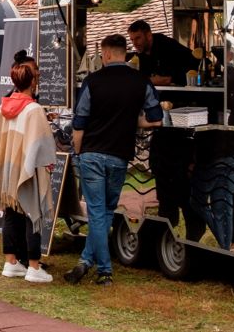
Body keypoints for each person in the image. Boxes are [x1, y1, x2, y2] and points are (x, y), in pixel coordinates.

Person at [66, 34, 164, 285]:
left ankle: (104, 270)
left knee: (98, 213)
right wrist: (132, 121)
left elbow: (80, 122)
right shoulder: (141, 81)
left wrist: (78, 151)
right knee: (106, 212)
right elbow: (156, 119)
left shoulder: (92, 81)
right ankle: (85, 261)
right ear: (125, 53)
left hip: (92, 153)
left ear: (106, 54)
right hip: (119, 156)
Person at [0, 61, 58, 283]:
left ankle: (11, 262)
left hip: (8, 168)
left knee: (10, 212)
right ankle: (34, 267)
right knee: (31, 213)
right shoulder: (34, 109)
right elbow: (43, 146)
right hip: (27, 168)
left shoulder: (4, 106)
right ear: (33, 82)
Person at [127, 19, 200, 88]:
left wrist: (169, 79)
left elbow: (166, 79)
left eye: (138, 38)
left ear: (149, 36)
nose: (134, 43)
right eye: (132, 40)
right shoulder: (141, 54)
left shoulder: (168, 46)